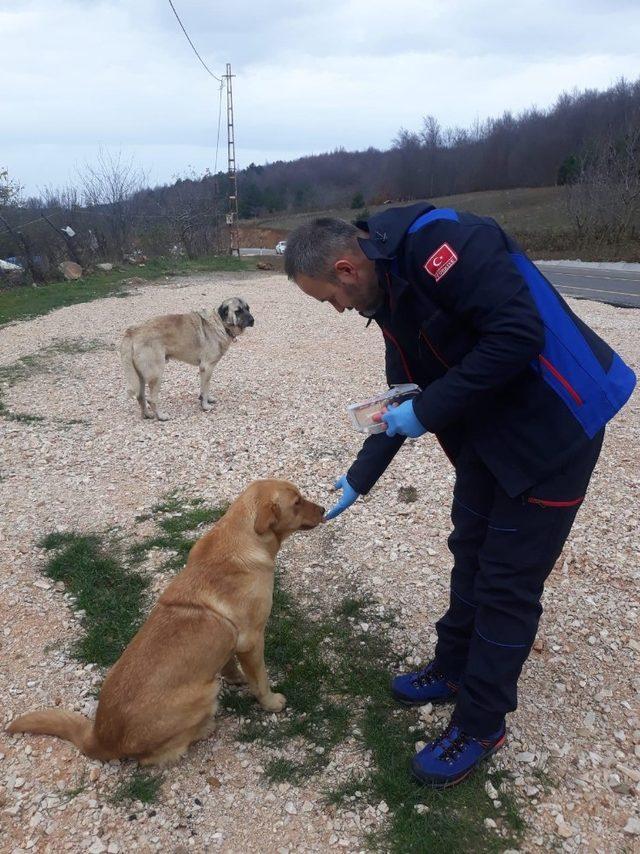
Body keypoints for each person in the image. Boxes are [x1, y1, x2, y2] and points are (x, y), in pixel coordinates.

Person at [283, 203, 636, 788]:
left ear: (346, 269)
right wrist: (359, 476)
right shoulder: (385, 287)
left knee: (506, 582)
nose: (338, 311)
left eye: (328, 299)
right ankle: (452, 668)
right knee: (469, 546)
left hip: (556, 428)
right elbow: (404, 394)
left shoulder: (446, 244)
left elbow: (519, 333)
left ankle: (480, 724)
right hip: (488, 429)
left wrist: (427, 410)